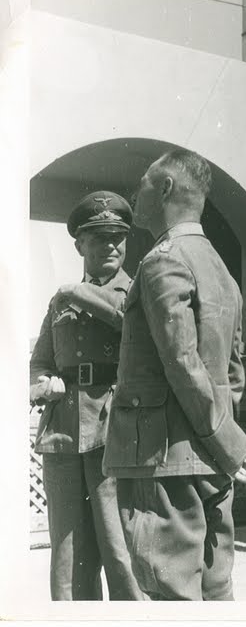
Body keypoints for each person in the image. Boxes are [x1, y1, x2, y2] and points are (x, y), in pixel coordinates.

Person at [103, 148, 246, 601]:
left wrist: (223, 441)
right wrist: (226, 442)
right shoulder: (220, 267)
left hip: (165, 459)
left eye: (144, 183)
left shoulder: (163, 260)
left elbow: (182, 362)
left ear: (166, 188)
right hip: (211, 458)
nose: (136, 193)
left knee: (171, 592)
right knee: (216, 589)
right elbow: (233, 370)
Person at [30, 190, 144, 601]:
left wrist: (77, 293)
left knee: (119, 547)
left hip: (113, 429)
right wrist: (43, 382)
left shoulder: (136, 291)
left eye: (118, 237)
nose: (112, 245)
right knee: (68, 554)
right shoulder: (59, 300)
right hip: (62, 433)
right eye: (100, 238)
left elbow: (127, 323)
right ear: (80, 245)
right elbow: (39, 361)